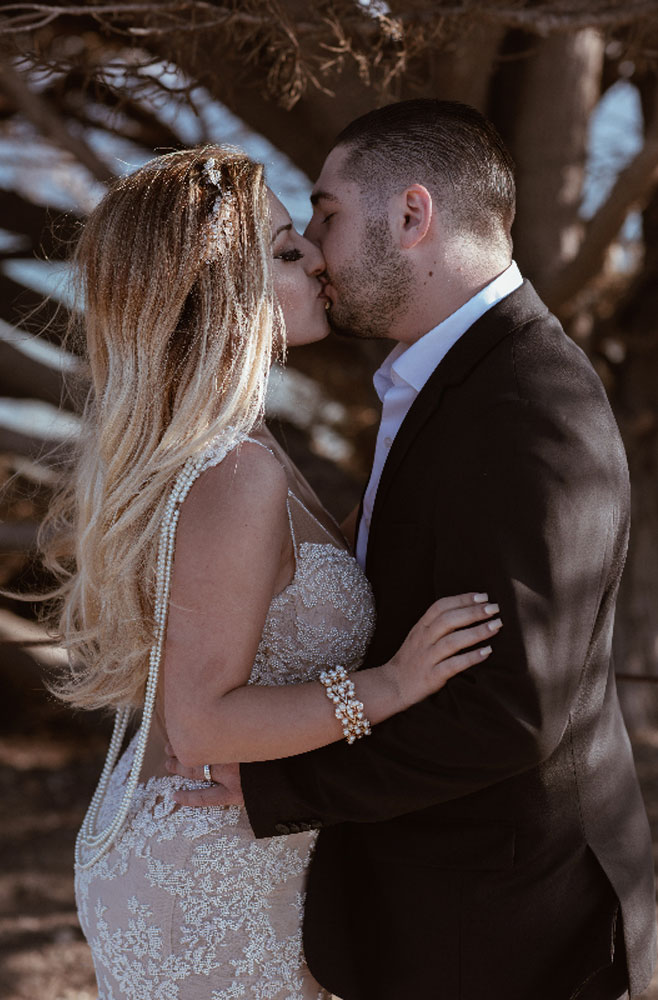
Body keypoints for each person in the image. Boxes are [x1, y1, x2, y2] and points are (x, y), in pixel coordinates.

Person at [168, 102, 657, 1000]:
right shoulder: (439, 379)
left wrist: (284, 786)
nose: (314, 245)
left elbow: (509, 710)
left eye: (327, 212)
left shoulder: (526, 405)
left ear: (412, 216)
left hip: (508, 929)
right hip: (428, 907)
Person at [40, 145, 501, 1000]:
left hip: (243, 859)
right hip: (211, 883)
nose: (321, 260)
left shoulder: (243, 451)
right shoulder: (233, 472)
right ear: (223, 291)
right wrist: (393, 686)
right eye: (288, 251)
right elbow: (201, 725)